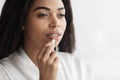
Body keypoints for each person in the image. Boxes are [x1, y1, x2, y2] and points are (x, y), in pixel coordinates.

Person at [0, 0, 94, 80]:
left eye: (61, 15)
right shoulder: (4, 73)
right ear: (22, 21)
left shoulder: (78, 67)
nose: (56, 23)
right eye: (43, 15)